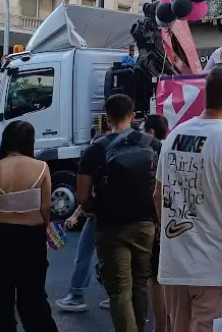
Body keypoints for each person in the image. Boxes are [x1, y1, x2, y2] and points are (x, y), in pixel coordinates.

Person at [156, 65, 222, 332]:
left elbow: (158, 195)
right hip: (216, 269)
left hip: (175, 266)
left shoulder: (174, 136)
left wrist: (177, 238)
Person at [77, 94, 161, 332]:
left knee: (119, 291)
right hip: (145, 223)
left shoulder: (95, 149)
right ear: (132, 116)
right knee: (141, 283)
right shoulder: (152, 144)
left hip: (110, 226)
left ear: (107, 117)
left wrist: (99, 208)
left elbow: (82, 196)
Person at [0, 120, 59, 332]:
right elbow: (45, 208)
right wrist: (47, 231)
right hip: (32, 236)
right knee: (33, 295)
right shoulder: (42, 168)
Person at [56, 116, 119, 313]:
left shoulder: (97, 154)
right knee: (114, 256)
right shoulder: (123, 152)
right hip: (118, 215)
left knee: (84, 255)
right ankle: (116, 295)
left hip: (97, 216)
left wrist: (77, 214)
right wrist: (76, 215)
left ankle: (76, 295)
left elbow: (88, 194)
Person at [140, 114, 169, 332]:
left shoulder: (150, 152)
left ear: (150, 132)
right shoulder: (172, 149)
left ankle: (160, 326)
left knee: (154, 278)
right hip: (173, 222)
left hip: (155, 221)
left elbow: (156, 194)